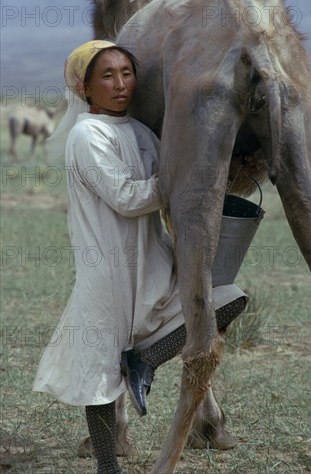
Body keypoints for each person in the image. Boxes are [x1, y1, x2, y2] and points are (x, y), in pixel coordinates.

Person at [33, 40, 247, 474]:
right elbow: (127, 198)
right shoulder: (86, 135)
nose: (121, 83)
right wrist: (177, 178)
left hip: (153, 260)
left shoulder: (139, 132)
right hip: (107, 270)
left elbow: (170, 169)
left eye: (127, 73)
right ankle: (107, 466)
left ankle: (145, 359)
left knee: (230, 297)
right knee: (99, 376)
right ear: (85, 89)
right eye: (107, 76)